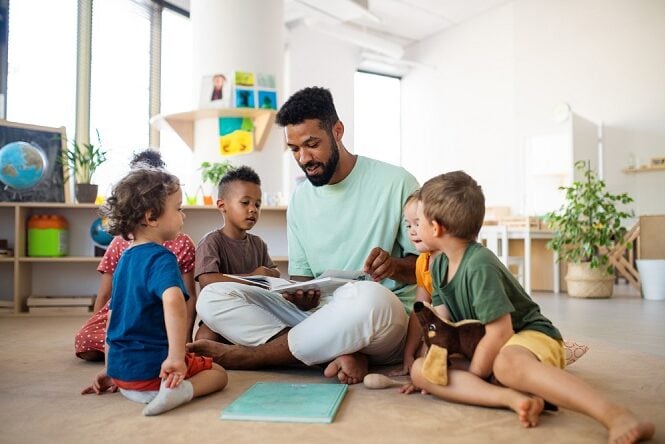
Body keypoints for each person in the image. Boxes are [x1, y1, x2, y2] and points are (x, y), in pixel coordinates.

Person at [189, 86, 420, 384]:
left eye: (312, 144)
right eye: (294, 149)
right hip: (319, 317)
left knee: (369, 297)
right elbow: (301, 280)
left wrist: (395, 266)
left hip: (380, 319)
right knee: (212, 297)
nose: (304, 157)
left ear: (337, 131)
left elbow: (428, 269)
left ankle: (254, 356)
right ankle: (334, 353)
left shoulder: (397, 182)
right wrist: (300, 297)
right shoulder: (299, 199)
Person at [408, 171, 654, 442]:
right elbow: (444, 324)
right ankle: (511, 398)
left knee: (505, 364)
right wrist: (435, 359)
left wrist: (476, 374)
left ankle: (615, 415)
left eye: (418, 222)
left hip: (526, 335)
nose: (413, 229)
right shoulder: (438, 263)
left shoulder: (479, 265)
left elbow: (500, 333)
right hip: (482, 344)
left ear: (436, 227)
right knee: (421, 370)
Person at [81, 168, 227, 416]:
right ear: (151, 217)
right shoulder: (162, 258)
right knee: (219, 374)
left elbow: (112, 320)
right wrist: (176, 358)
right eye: (179, 208)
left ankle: (134, 383)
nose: (184, 216)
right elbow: (174, 300)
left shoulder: (125, 259)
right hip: (155, 374)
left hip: (124, 376)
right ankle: (179, 392)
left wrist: (111, 369)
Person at [74, 150, 197, 361]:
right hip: (127, 311)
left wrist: (183, 342)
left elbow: (186, 296)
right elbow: (107, 297)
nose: (183, 214)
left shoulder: (181, 244)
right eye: (179, 209)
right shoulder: (121, 245)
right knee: (85, 341)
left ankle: (132, 351)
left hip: (158, 315)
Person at [193, 165, 280, 341]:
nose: (253, 209)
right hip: (222, 314)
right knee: (204, 338)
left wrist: (269, 273)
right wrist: (252, 278)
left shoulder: (258, 243)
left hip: (255, 313)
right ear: (222, 205)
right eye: (245, 202)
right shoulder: (211, 241)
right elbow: (207, 280)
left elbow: (274, 273)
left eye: (257, 204)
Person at [388, 190, 443, 383]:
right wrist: (408, 354)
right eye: (408, 225)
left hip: (459, 328)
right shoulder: (422, 261)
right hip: (439, 326)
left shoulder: (448, 260)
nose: (412, 231)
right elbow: (419, 310)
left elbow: (445, 316)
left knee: (426, 360)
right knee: (420, 359)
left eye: (417, 224)